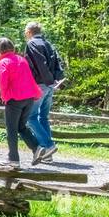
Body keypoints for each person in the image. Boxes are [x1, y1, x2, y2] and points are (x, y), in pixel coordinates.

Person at [0, 37, 43, 168]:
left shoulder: (4, 62)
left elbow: (3, 82)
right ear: (12, 47)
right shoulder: (22, 59)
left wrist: (4, 97)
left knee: (11, 129)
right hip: (29, 99)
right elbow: (30, 78)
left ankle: (13, 160)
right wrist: (36, 93)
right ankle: (37, 147)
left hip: (14, 99)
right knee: (21, 126)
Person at [23, 21, 65, 164]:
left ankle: (48, 146)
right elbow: (58, 62)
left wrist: (47, 81)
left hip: (40, 85)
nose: (25, 34)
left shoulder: (32, 44)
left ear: (29, 32)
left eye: (25, 31)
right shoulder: (48, 44)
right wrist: (55, 81)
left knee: (30, 117)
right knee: (43, 117)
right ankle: (47, 156)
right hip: (50, 85)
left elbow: (41, 64)